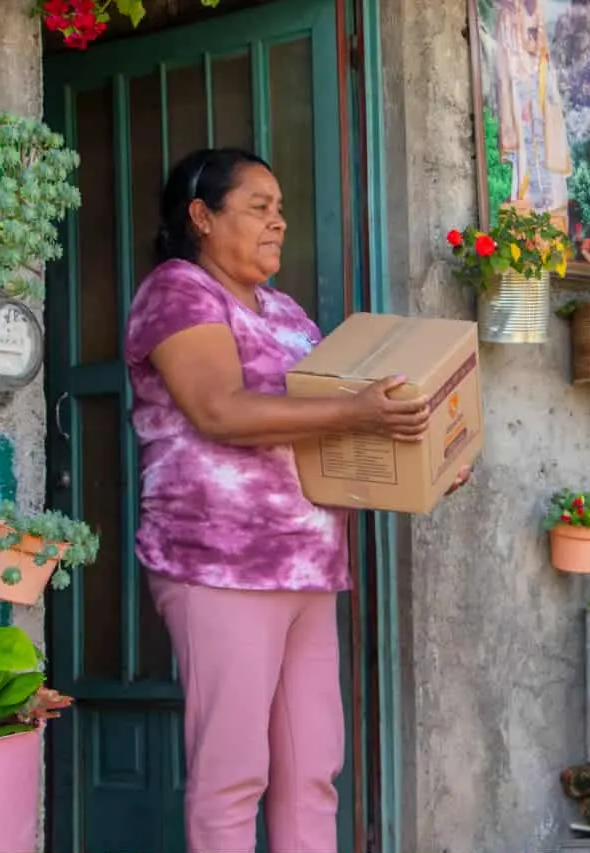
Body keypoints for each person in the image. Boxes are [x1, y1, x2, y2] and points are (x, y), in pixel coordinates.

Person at [123, 147, 471, 853]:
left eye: (280, 209)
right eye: (258, 206)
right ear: (201, 216)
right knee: (234, 774)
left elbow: (326, 432)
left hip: (307, 564)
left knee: (313, 769)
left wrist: (422, 455)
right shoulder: (179, 290)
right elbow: (220, 409)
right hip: (219, 562)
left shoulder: (285, 311)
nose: (278, 222)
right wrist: (358, 415)